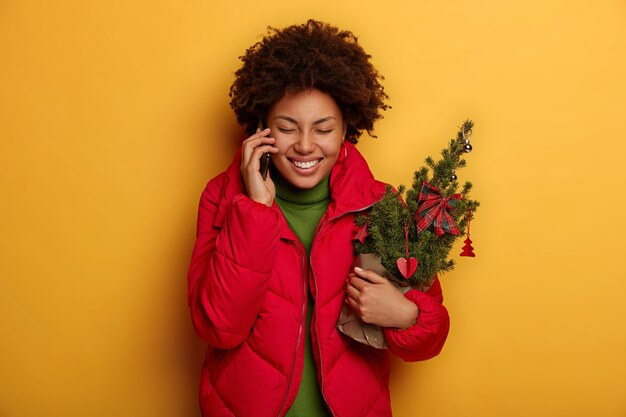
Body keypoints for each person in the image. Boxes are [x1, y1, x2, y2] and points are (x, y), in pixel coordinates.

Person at [187, 19, 450, 417]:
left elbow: (431, 336)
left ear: (346, 128)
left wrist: (405, 314)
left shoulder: (381, 205)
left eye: (323, 128)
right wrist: (255, 211)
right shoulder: (223, 197)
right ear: (261, 129)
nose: (305, 145)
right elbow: (219, 327)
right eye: (287, 128)